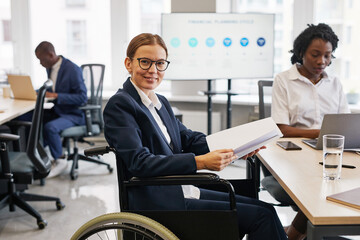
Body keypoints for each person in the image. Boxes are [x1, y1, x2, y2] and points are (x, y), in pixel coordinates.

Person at [103, 33, 287, 239]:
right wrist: (199, 163)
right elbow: (139, 163)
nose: (153, 70)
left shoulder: (159, 101)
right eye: (145, 62)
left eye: (160, 63)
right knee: (261, 216)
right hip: (159, 200)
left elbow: (188, 139)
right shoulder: (121, 105)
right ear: (129, 63)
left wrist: (236, 149)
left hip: (181, 189)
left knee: (266, 210)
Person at [266, 23, 350, 239]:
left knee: (343, 181)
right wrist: (321, 134)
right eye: (315, 55)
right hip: (294, 153)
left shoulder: (336, 83)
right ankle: (297, 234)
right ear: (301, 52)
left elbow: (346, 124)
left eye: (327, 55)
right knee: (317, 186)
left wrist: (330, 136)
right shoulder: (284, 80)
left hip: (330, 152)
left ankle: (294, 234)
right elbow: (281, 129)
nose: (322, 61)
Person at [21, 41, 88, 178]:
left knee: (50, 127)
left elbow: (82, 98)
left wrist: (57, 96)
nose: (40, 63)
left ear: (51, 55)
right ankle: (37, 155)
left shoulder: (73, 69)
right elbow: (52, 89)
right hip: (58, 111)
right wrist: (35, 91)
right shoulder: (50, 68)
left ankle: (60, 159)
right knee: (29, 117)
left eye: (41, 60)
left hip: (73, 114)